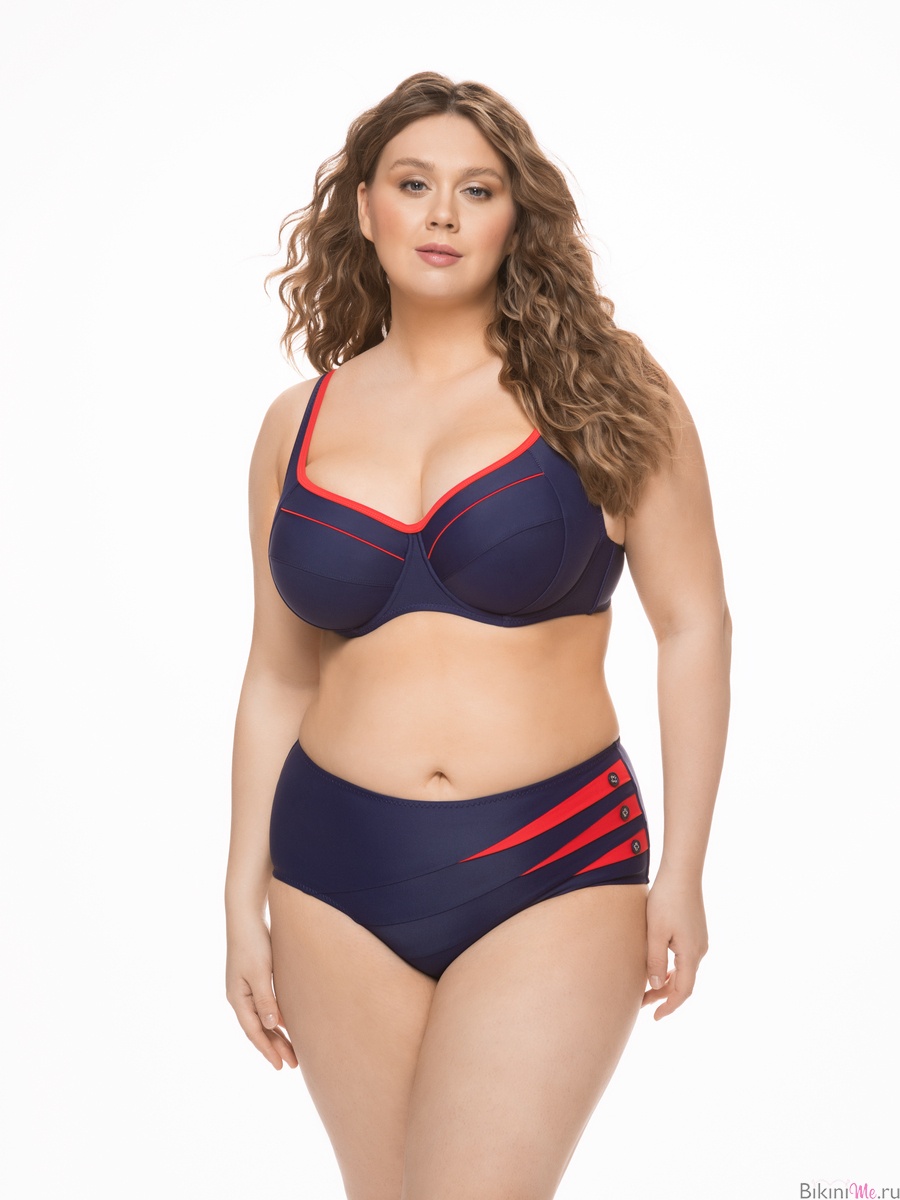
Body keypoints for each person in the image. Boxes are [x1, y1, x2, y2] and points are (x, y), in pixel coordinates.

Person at [225, 71, 731, 1200]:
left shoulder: (607, 392)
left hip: (554, 860)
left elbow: (694, 625)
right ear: (365, 208)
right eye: (413, 184)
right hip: (331, 876)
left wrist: (686, 871)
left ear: (515, 216)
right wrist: (238, 902)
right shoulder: (294, 425)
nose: (443, 214)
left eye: (478, 189)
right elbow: (275, 678)